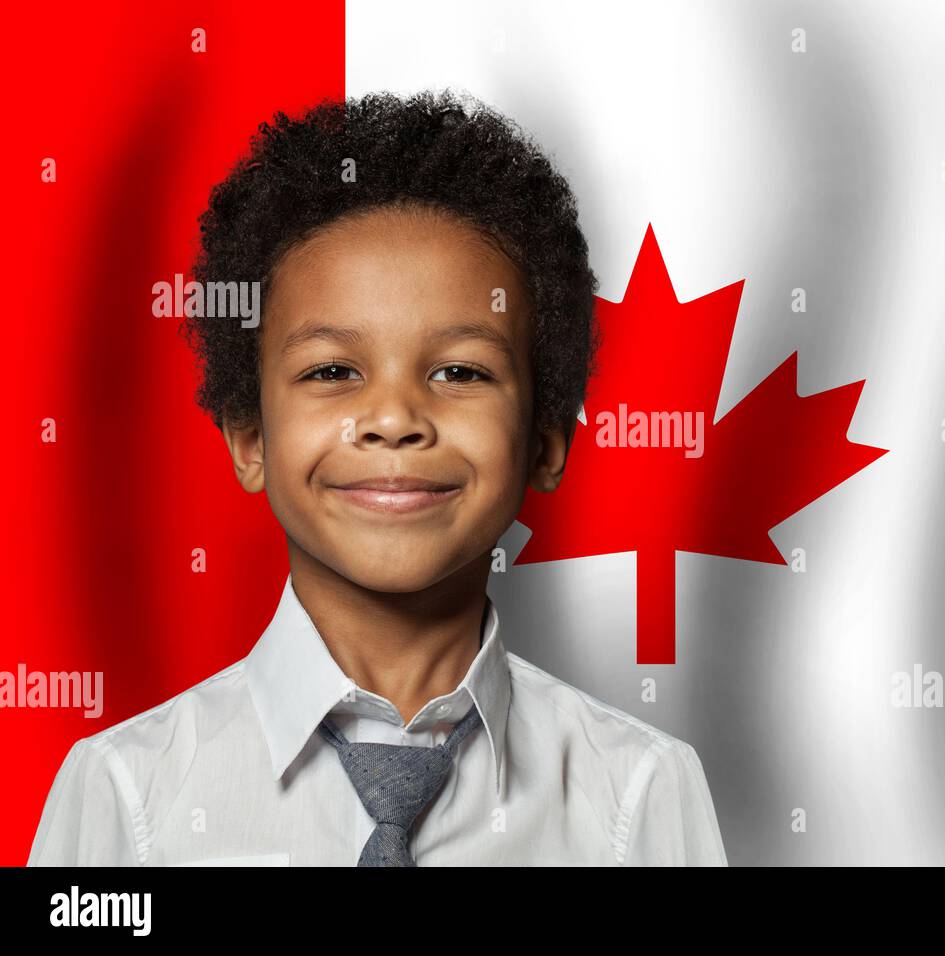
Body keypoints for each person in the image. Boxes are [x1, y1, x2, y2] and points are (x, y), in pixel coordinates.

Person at [27, 90, 727, 866]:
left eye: (460, 370)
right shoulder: (128, 796)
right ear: (249, 438)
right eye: (333, 370)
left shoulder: (638, 793)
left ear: (546, 441)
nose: (393, 418)